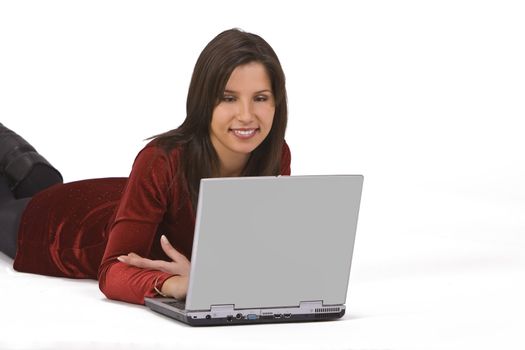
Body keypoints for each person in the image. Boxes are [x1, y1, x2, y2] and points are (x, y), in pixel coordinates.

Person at [0, 28, 291, 305]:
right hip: (64, 228)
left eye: (260, 98)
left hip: (118, 198)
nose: (246, 115)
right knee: (22, 200)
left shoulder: (274, 154)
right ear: (203, 101)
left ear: (277, 103)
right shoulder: (161, 159)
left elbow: (253, 255)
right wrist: (175, 284)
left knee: (39, 181)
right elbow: (112, 271)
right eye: (228, 98)